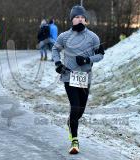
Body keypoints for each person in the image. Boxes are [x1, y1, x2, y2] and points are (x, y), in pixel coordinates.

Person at [52, 5, 105, 154]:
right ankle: (74, 141)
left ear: (86, 20)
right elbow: (55, 49)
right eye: (77, 17)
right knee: (75, 107)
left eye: (82, 17)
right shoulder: (64, 36)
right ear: (72, 19)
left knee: (80, 111)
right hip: (69, 77)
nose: (80, 19)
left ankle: (71, 122)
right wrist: (58, 63)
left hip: (85, 78)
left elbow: (101, 55)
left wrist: (88, 59)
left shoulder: (93, 37)